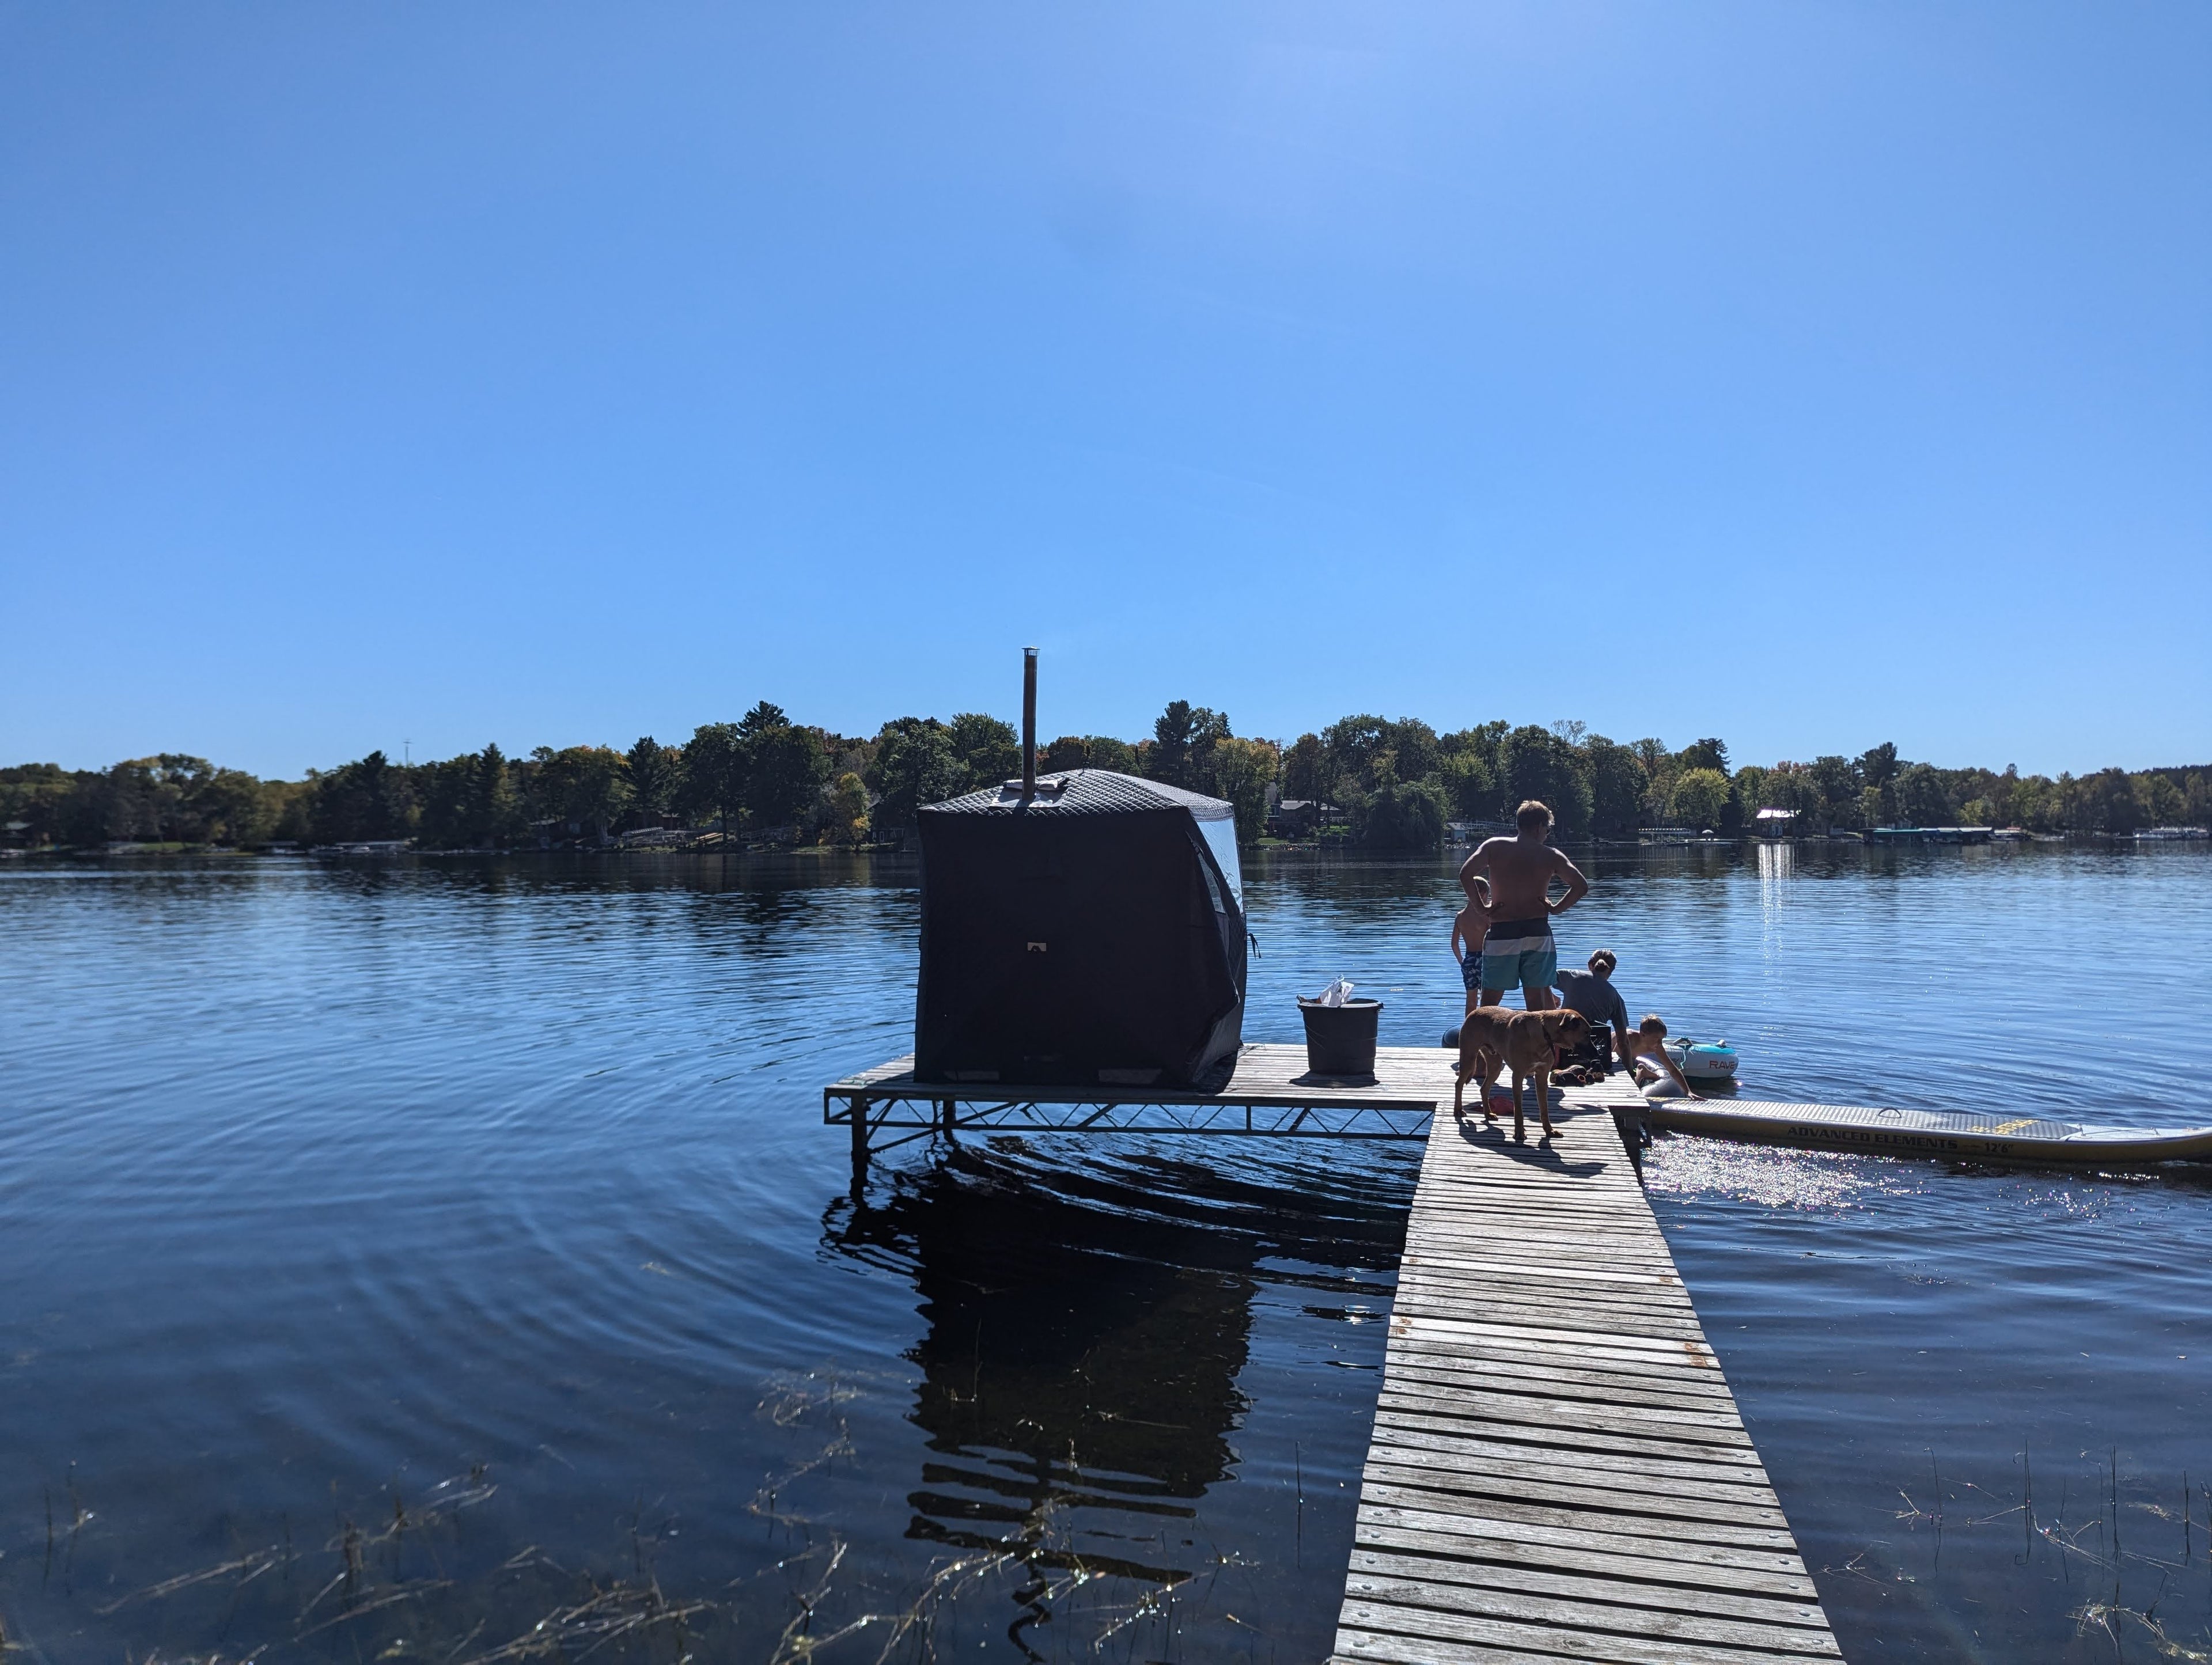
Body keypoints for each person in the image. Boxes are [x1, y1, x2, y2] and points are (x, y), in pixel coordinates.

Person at [1460, 800, 1589, 1010]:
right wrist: (1556, 909)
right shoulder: (1551, 856)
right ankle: (1535, 1043)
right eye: (1547, 829)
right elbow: (1581, 886)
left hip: (1503, 930)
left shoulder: (1494, 847)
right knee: (1536, 1005)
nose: (1547, 834)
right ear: (1539, 827)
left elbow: (1466, 874)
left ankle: (1484, 1043)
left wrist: (1481, 908)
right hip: (1537, 932)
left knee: (1489, 1003)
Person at [1553, 949, 1630, 1072]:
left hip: (1563, 1052)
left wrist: (1552, 996)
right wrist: (1630, 1071)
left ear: (1590, 964)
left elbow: (1542, 977)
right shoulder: (1615, 996)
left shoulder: (1570, 976)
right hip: (1592, 1057)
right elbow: (1623, 1042)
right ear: (1611, 971)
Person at [1449, 873, 1494, 1015]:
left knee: (1471, 1001)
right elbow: (1495, 937)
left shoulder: (1460, 916)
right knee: (1488, 1000)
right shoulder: (1487, 915)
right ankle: (1486, 1030)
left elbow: (1454, 945)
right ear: (1481, 893)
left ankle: (1468, 1030)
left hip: (1469, 960)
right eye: (1488, 895)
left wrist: (1462, 962)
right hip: (1485, 960)